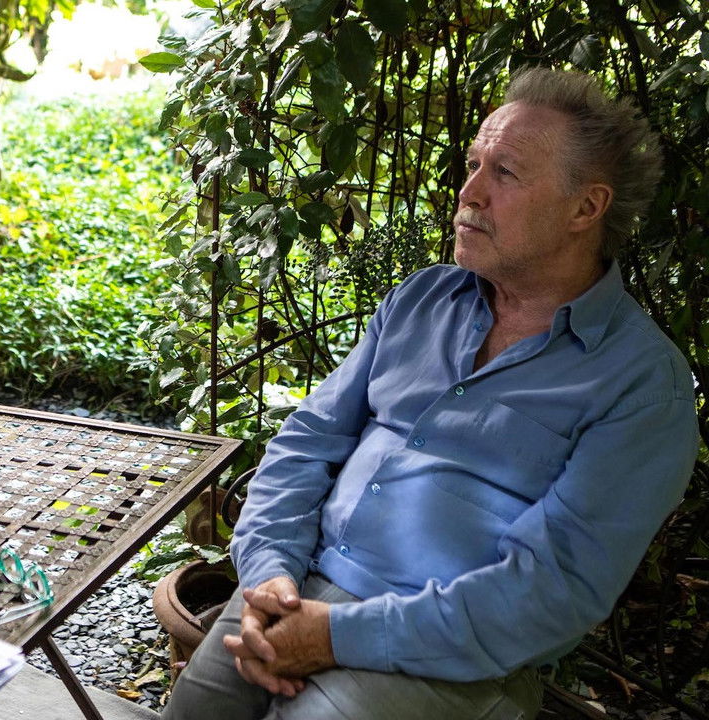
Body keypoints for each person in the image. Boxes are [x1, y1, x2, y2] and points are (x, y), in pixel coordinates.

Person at [164, 68, 700, 720]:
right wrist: (269, 575)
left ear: (585, 208)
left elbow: (551, 592)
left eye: (505, 173)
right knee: (198, 705)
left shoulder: (642, 385)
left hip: (460, 654)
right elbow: (306, 443)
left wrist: (334, 635)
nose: (468, 193)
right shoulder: (421, 301)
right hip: (297, 590)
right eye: (474, 164)